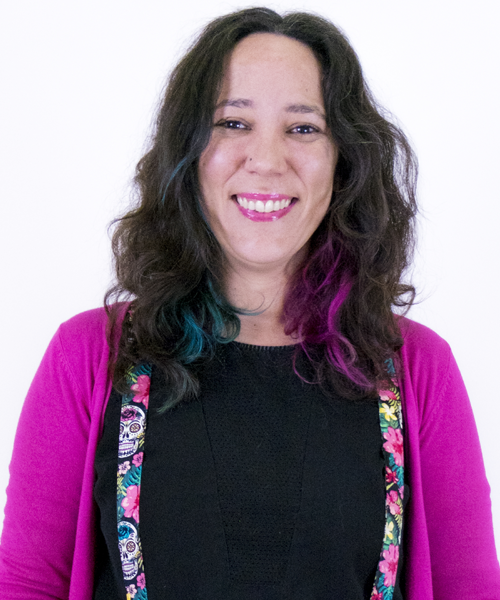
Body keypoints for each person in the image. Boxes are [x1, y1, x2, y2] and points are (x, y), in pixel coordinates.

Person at [1, 6, 499, 600]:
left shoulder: (418, 368)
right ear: (187, 154)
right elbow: (29, 583)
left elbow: (468, 587)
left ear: (345, 161)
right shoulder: (90, 356)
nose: (266, 160)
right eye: (233, 123)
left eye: (303, 127)